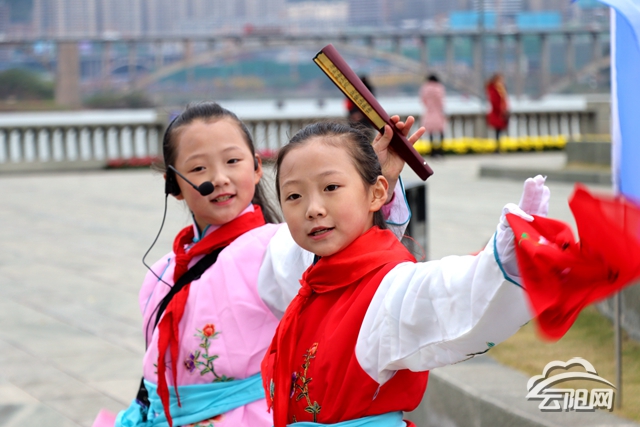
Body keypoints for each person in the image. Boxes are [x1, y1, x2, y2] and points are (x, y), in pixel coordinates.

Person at [258, 122, 640, 427]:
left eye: (331, 187)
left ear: (376, 194)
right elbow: (287, 263)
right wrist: (363, 180)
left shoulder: (388, 291)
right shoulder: (315, 280)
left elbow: (449, 291)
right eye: (294, 196)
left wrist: (513, 252)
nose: (313, 208)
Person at [92, 103, 424, 427]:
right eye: (198, 169)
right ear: (173, 184)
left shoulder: (274, 246)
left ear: (255, 167)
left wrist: (368, 183)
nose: (219, 178)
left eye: (232, 161)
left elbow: (349, 259)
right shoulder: (162, 271)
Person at [419, 73, 446, 157]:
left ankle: (432, 151)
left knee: (430, 132)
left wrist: (429, 106)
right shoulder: (439, 88)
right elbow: (441, 101)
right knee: (441, 131)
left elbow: (423, 100)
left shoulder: (425, 88)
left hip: (429, 112)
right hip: (438, 112)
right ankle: (441, 150)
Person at [486, 73, 509, 153]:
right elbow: (494, 101)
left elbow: (505, 100)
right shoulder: (493, 89)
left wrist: (505, 109)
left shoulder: (501, 89)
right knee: (497, 131)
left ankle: (498, 147)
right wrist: (501, 110)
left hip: (501, 112)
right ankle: (497, 148)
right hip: (497, 113)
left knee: (499, 131)